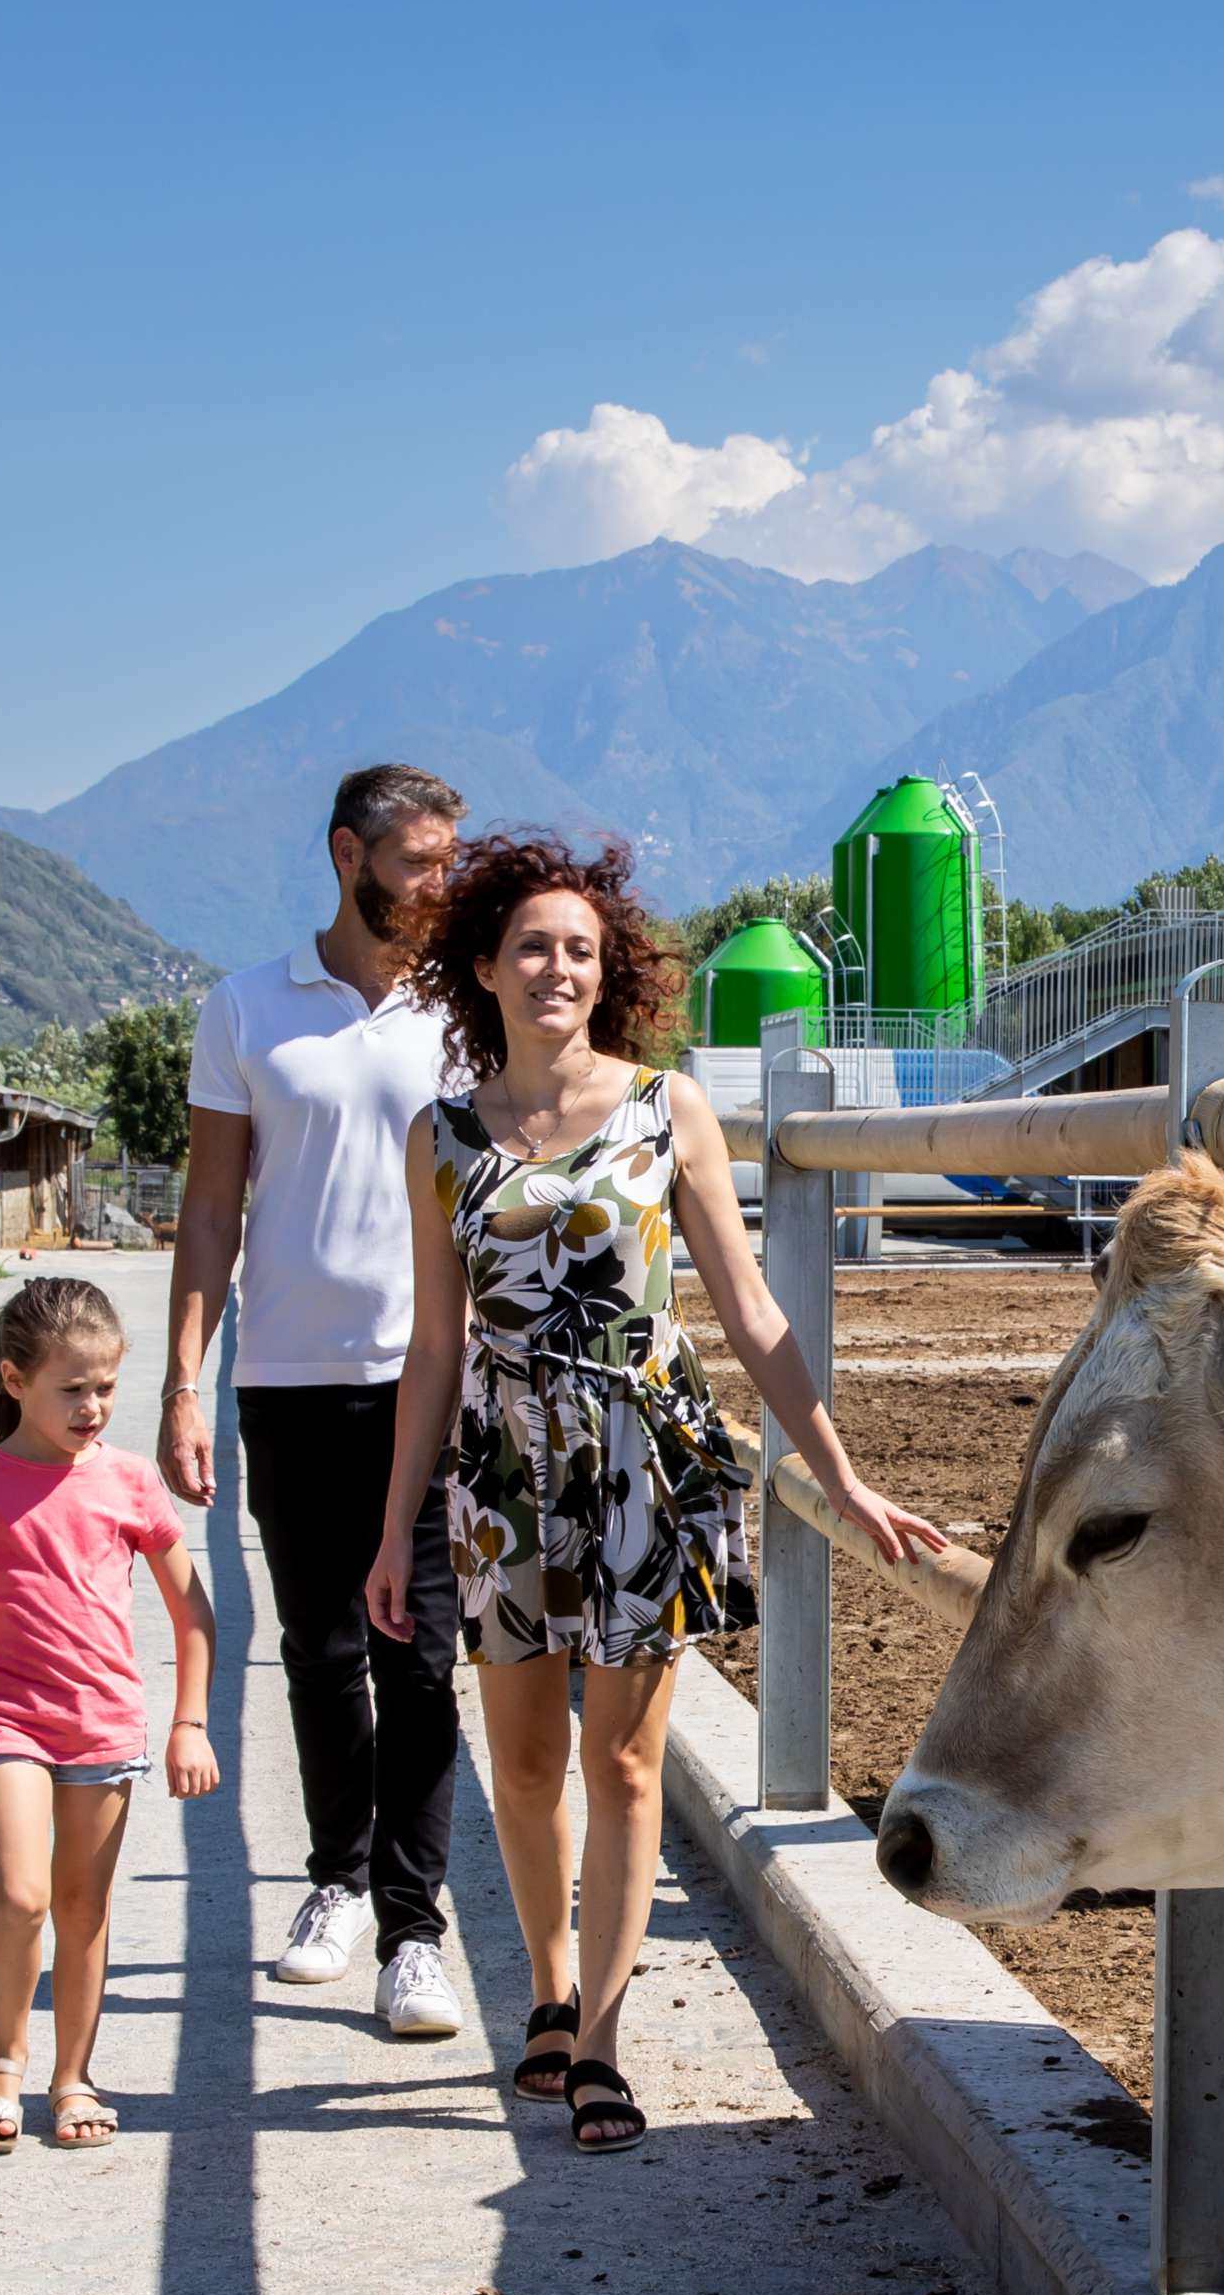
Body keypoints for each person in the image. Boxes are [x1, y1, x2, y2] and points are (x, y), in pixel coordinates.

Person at [367, 829, 938, 2150]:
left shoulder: (663, 1105)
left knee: (625, 1760)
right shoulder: (441, 1136)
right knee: (519, 1762)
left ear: (604, 966)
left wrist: (837, 1469)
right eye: (531, 945)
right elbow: (433, 1347)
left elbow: (748, 1306)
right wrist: (397, 1525)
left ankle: (609, 2038)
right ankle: (551, 1994)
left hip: (644, 1458)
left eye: (579, 946)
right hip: (504, 1469)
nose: (556, 965)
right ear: (485, 967)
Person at [170, 763, 472, 2044]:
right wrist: (182, 1382)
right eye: (418, 861)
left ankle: (415, 1928)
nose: (437, 884)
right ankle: (336, 1884)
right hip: (287, 1381)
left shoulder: (470, 1014)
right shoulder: (245, 1008)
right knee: (317, 1649)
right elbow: (208, 1212)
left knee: (421, 1656)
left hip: (430, 1380)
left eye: (450, 861)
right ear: (349, 853)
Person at [0, 1275, 219, 2148]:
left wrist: (190, 1722)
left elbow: (194, 1612)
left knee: (82, 1908)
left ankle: (73, 2075)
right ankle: (4, 2055)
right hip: (5, 1713)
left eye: (105, 1387)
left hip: (101, 1719)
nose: (94, 1406)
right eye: (73, 1388)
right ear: (15, 1379)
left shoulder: (133, 1482)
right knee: (22, 1895)